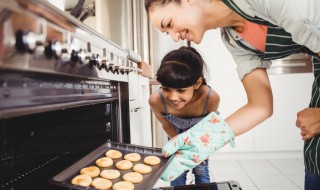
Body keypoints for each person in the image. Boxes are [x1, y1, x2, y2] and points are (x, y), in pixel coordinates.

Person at [144, 0, 320, 189]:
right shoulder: (234, 39)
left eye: (169, 24)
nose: (174, 37)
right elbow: (260, 106)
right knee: (315, 155)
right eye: (166, 32)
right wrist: (204, 140)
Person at [149, 46, 220, 186]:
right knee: (177, 172)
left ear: (197, 83)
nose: (173, 97)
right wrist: (180, 148)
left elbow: (209, 126)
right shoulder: (156, 100)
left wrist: (201, 150)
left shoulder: (210, 98)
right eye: (166, 88)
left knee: (201, 170)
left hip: (200, 139)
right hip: (176, 137)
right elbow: (167, 125)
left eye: (181, 90)